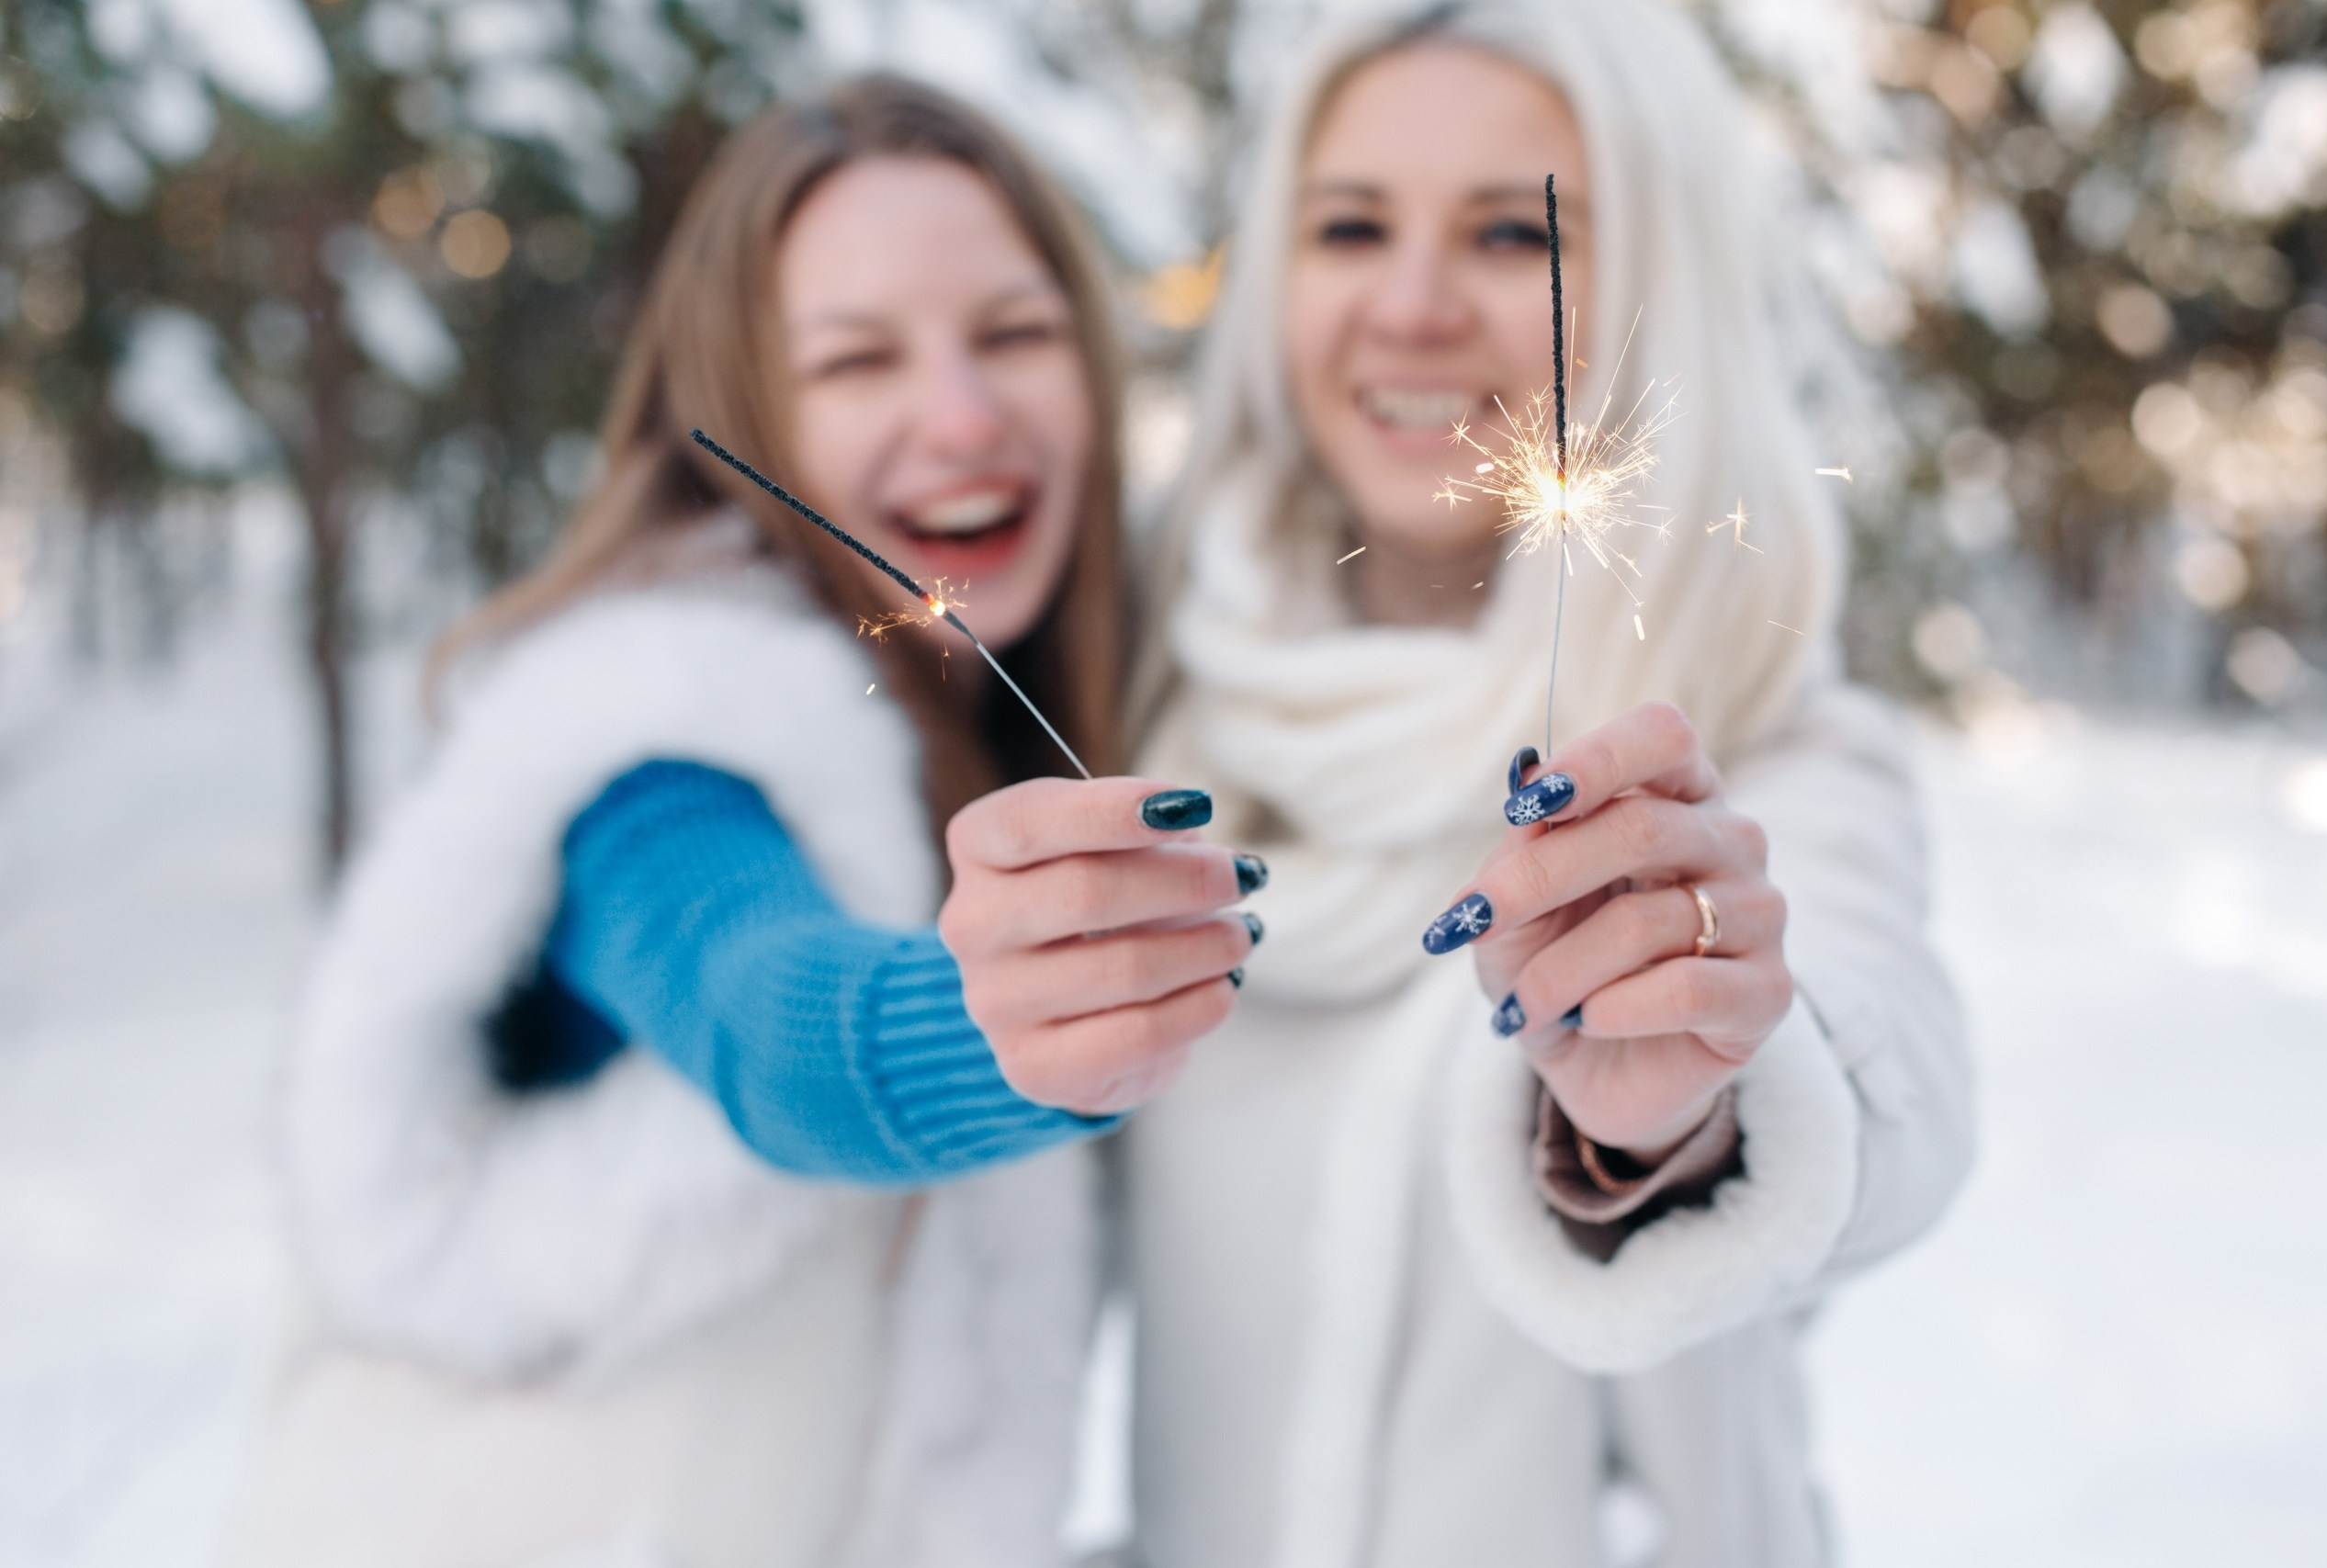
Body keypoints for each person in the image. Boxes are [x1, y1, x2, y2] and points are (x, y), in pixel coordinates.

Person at [940, 3, 1973, 1562]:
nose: (1412, 309)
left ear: (1661, 281)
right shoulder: (1132, 705)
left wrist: (1694, 1089)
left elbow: (1888, 1079)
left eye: (1510, 234)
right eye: (1350, 227)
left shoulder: (1754, 749)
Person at [218, 76, 1258, 1568]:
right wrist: (1002, 1025)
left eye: (1015, 336)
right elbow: (773, 1021)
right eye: (856, 360)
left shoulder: (1039, 722)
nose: (963, 415)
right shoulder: (657, 740)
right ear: (742, 418)